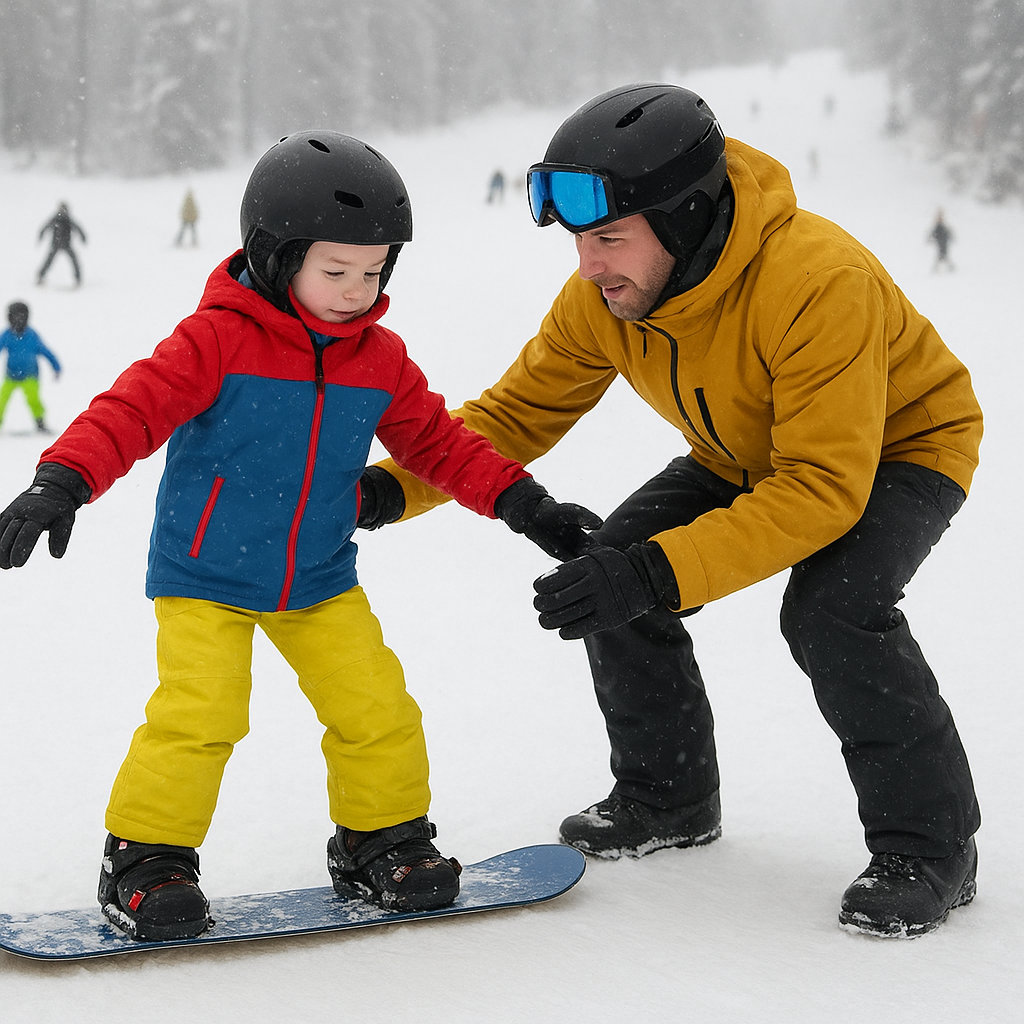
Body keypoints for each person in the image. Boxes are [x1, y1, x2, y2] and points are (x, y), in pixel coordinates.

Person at [363, 84, 984, 939]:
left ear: (685, 217)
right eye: (581, 241)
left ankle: (933, 849)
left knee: (834, 609)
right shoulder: (607, 297)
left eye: (609, 238)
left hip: (897, 451)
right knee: (606, 568)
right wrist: (390, 488)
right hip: (743, 451)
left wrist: (657, 571)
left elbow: (821, 488)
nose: (590, 266)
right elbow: (513, 415)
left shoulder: (817, 281)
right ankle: (669, 797)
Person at [0, 131, 600, 943]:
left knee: (375, 705)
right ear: (278, 256)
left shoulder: (379, 359)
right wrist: (63, 479)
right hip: (205, 574)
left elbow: (440, 443)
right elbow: (131, 410)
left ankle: (379, 840)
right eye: (337, 271)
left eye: (375, 271)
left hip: (320, 576)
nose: (359, 290)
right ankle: (147, 860)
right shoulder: (216, 340)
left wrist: (529, 506)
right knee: (200, 713)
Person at [0, 301, 61, 433]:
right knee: (1, 400)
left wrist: (56, 366)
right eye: (14, 317)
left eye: (21, 316)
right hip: (11, 376)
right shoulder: (7, 335)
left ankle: (40, 422)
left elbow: (45, 351)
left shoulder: (31, 335)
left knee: (34, 400)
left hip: (30, 376)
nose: (18, 320)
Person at [37, 202, 87, 286]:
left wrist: (83, 237)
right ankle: (40, 276)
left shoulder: (66, 219)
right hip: (57, 244)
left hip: (64, 244)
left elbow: (77, 228)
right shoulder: (57, 218)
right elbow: (45, 227)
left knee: (72, 260)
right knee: (50, 261)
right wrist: (41, 235)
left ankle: (78, 278)